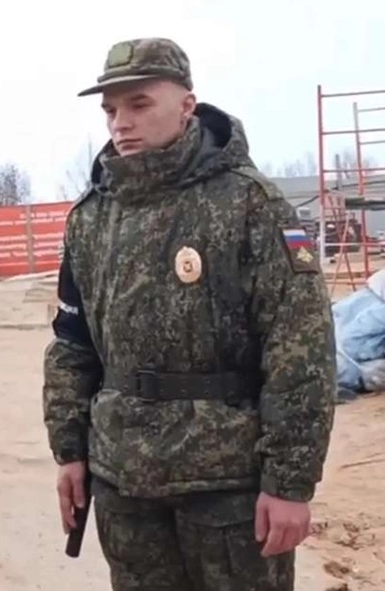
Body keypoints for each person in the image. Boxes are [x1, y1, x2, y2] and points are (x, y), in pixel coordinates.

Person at [43, 37, 337, 591]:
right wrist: (70, 449)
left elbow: (301, 350)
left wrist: (291, 482)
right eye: (110, 110)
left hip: (227, 485)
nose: (120, 124)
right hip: (123, 481)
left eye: (139, 104)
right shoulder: (91, 217)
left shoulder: (250, 205)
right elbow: (71, 343)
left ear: (186, 104)